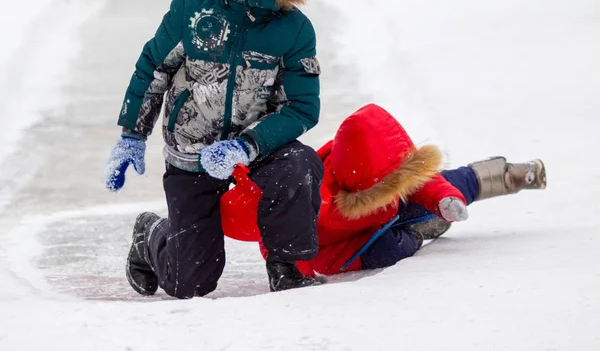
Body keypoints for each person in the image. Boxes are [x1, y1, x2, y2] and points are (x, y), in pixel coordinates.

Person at [103, 0, 326, 297]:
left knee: (299, 163)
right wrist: (132, 134)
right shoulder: (192, 8)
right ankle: (150, 234)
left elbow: (302, 107)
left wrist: (247, 145)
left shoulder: (294, 29)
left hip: (256, 154)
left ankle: (287, 266)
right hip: (190, 155)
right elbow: (154, 68)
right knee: (190, 283)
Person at [222, 103, 547, 276]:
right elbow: (274, 239)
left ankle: (496, 175)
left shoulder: (381, 171)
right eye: (390, 182)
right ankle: (419, 231)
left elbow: (415, 177)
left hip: (383, 212)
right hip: (352, 244)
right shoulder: (312, 197)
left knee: (444, 187)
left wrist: (445, 198)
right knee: (392, 248)